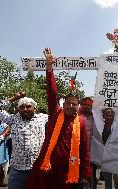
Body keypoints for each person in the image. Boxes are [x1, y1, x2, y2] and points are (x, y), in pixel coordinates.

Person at [25, 48, 91, 189]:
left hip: (68, 173)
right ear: (64, 104)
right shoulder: (56, 113)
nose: (71, 106)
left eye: (74, 104)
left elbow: (84, 149)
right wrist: (49, 68)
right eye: (68, 103)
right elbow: (51, 91)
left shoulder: (81, 122)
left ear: (78, 107)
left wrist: (85, 173)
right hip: (47, 170)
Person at [0, 92, 48, 189]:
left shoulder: (43, 118)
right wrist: (16, 97)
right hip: (18, 171)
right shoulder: (12, 119)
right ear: (18, 109)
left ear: (35, 108)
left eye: (28, 106)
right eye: (21, 107)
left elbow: (59, 115)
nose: (25, 109)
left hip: (37, 169)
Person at [91, 106, 118, 189]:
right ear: (104, 116)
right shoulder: (100, 126)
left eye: (111, 115)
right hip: (106, 158)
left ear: (114, 116)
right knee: (107, 182)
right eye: (107, 115)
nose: (109, 117)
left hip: (117, 158)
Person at [79, 97, 97, 189]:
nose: (87, 107)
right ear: (81, 105)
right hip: (79, 151)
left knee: (92, 175)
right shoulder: (77, 116)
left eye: (89, 105)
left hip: (93, 151)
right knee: (80, 175)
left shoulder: (96, 117)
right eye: (85, 105)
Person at [0, 122, 10, 187]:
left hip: (4, 147)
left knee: (5, 166)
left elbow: (7, 137)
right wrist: (5, 132)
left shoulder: (2, 124)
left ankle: (1, 181)